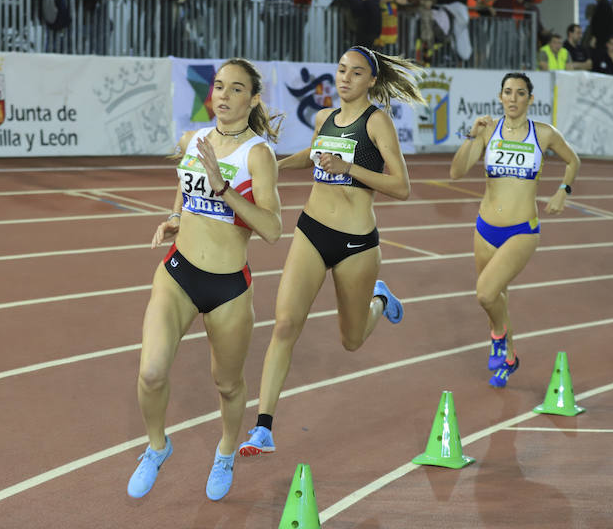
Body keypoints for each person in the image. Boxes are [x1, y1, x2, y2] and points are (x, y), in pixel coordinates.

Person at [238, 46, 423, 456]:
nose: (345, 78)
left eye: (356, 73)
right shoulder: (324, 117)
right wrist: (275, 164)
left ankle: (379, 296)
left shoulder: (377, 123)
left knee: (352, 340)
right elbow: (315, 156)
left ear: (370, 80)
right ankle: (263, 428)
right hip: (312, 230)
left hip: (356, 244)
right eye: (341, 70)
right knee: (285, 324)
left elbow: (402, 187)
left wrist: (351, 169)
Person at [126, 58, 282, 501]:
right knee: (152, 372)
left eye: (236, 90)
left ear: (252, 100)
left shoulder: (258, 155)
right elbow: (183, 184)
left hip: (229, 288)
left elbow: (272, 229)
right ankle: (157, 447)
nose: (224, 96)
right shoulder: (193, 139)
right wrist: (176, 215)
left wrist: (223, 188)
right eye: (218, 86)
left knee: (227, 385)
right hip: (178, 273)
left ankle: (226, 452)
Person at [449, 72, 580, 387]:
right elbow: (456, 172)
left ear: (530, 99)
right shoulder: (488, 131)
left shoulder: (544, 134)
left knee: (485, 293)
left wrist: (564, 189)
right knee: (499, 297)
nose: (512, 98)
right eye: (507, 92)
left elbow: (573, 160)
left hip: (522, 229)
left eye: (520, 93)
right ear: (500, 97)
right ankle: (509, 357)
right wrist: (471, 135)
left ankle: (497, 338)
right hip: (485, 229)